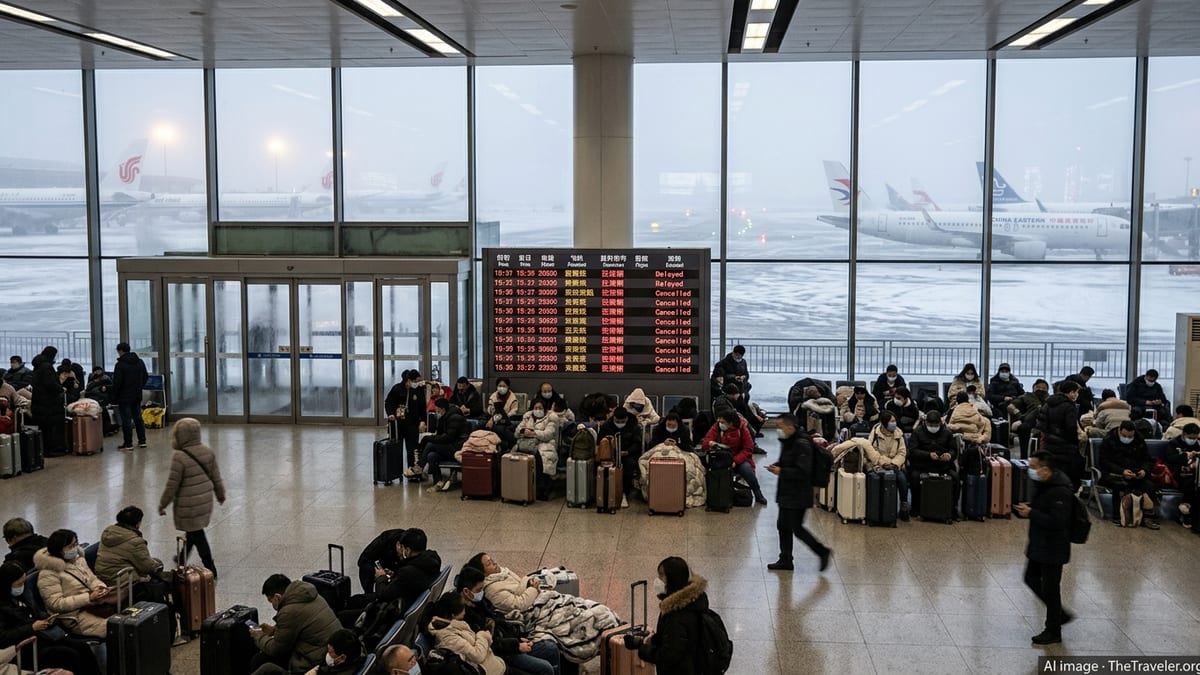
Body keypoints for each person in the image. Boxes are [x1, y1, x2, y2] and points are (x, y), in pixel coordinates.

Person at [464, 553, 619, 666]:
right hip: (537, 611)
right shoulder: (492, 589)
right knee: (585, 619)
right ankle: (609, 640)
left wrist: (531, 584)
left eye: (492, 560)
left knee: (584, 606)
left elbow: (521, 585)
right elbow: (519, 604)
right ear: (483, 573)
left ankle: (613, 635)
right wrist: (532, 588)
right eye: (490, 564)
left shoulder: (503, 573)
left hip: (544, 599)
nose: (495, 563)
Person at [1014, 451, 1075, 645]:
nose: (1030, 470)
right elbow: (1044, 508)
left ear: (1045, 469)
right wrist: (1028, 509)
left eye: (1033, 467)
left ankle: (1053, 629)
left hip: (1053, 547)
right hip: (1040, 542)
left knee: (1050, 588)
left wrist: (1031, 512)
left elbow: (1057, 521)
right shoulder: (1044, 483)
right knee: (1030, 578)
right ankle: (1059, 615)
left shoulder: (1061, 491)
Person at [455, 565, 559, 675]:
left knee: (551, 648)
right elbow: (488, 644)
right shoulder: (464, 617)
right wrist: (516, 645)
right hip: (500, 653)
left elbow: (498, 621)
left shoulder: (479, 602)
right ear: (466, 591)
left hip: (508, 641)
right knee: (546, 668)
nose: (481, 592)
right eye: (479, 590)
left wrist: (517, 638)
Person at [0, 561, 100, 675]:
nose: (21, 587)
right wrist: (32, 627)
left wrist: (48, 619)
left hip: (41, 637)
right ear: (7, 584)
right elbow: (3, 637)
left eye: (23, 582)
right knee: (69, 655)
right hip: (21, 648)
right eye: (18, 584)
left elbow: (37, 612)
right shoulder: (3, 604)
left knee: (82, 647)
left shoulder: (24, 594)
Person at [626, 557, 720, 675]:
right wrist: (646, 641)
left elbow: (668, 656)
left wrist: (642, 648)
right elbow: (673, 640)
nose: (658, 580)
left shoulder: (676, 616)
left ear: (672, 579)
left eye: (661, 576)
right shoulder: (692, 602)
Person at [158, 417, 226, 579]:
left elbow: (172, 485)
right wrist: (220, 493)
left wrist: (163, 504)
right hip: (204, 502)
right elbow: (216, 477)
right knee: (193, 531)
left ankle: (210, 566)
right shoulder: (207, 451)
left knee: (197, 534)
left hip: (188, 504)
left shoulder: (180, 456)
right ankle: (181, 557)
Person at [766, 415, 832, 572]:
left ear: (790, 427)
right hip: (788, 491)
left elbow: (803, 471)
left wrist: (782, 471)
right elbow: (790, 461)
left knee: (797, 528)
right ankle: (785, 559)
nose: (778, 430)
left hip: (799, 494)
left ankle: (822, 551)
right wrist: (779, 465)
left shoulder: (802, 443)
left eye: (780, 426)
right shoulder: (790, 440)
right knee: (783, 525)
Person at [249, 574, 342, 675]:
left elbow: (276, 649)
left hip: (315, 661)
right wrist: (275, 630)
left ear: (277, 597)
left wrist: (259, 636)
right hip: (329, 650)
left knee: (259, 660)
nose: (272, 605)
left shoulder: (288, 611)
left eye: (271, 601)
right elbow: (302, 621)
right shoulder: (307, 593)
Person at [33, 529, 114, 639]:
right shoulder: (48, 573)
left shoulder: (77, 560)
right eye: (71, 546)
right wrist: (88, 597)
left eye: (76, 543)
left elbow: (92, 579)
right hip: (74, 616)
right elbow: (56, 603)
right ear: (59, 550)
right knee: (116, 628)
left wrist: (100, 587)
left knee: (128, 619)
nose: (75, 548)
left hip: (95, 605)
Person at [94, 506, 171, 606]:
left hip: (102, 574)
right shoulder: (135, 541)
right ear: (138, 523)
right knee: (157, 568)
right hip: (121, 579)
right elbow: (148, 567)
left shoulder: (109, 531)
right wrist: (158, 567)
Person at [425, 591, 506, 675]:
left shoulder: (456, 625)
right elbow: (477, 656)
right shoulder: (448, 638)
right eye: (463, 608)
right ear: (453, 615)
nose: (465, 611)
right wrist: (482, 635)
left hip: (495, 664)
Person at [1097, 421, 1159, 529]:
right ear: (1119, 431)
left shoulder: (1139, 440)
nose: (1127, 438)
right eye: (1124, 436)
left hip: (1135, 472)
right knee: (1119, 485)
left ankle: (1147, 516)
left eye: (1130, 436)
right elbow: (1104, 461)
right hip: (1114, 473)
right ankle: (1119, 515)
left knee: (1149, 486)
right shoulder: (1109, 440)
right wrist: (1122, 471)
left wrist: (1144, 470)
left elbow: (1147, 459)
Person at [368, 529, 441, 615]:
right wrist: (395, 576)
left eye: (401, 547)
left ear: (407, 550)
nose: (398, 549)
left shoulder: (407, 572)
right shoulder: (433, 561)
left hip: (392, 608)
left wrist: (380, 577)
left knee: (356, 600)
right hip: (409, 599)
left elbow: (383, 596)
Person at [702, 410, 766, 505]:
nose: (720, 423)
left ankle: (758, 494)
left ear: (730, 423)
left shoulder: (742, 429)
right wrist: (710, 443)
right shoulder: (717, 427)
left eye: (723, 422)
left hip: (738, 459)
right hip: (721, 458)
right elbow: (705, 443)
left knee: (747, 470)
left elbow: (748, 449)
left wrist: (735, 461)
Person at [907, 411, 961, 519]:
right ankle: (916, 507)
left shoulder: (947, 433)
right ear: (926, 422)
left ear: (940, 423)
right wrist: (928, 455)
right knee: (914, 478)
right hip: (923, 465)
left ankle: (952, 507)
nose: (933, 428)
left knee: (955, 478)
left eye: (936, 425)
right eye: (931, 426)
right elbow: (912, 451)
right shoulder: (917, 433)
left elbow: (954, 450)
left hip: (942, 466)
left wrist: (949, 455)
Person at [864, 410, 910, 521]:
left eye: (895, 421)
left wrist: (894, 464)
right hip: (878, 464)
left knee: (902, 479)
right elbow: (871, 452)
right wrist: (884, 462)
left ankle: (904, 507)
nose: (894, 423)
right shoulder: (875, 434)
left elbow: (902, 453)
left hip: (895, 464)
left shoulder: (899, 434)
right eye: (892, 421)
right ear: (884, 423)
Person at [417, 398, 470, 492]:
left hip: (458, 448)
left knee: (430, 444)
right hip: (450, 446)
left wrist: (429, 438)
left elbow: (447, 438)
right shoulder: (445, 417)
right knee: (431, 456)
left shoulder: (454, 417)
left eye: (437, 409)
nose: (436, 411)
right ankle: (438, 482)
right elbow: (441, 435)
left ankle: (420, 467)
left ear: (443, 409)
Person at [1038, 381, 1084, 490]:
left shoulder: (1048, 403)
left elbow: (1041, 423)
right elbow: (1071, 428)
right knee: (1067, 475)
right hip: (1065, 447)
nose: (1076, 395)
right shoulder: (1069, 406)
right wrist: (1074, 444)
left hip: (1049, 444)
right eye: (1076, 392)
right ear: (1071, 392)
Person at [515, 398, 562, 501]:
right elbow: (517, 432)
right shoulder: (527, 416)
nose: (538, 410)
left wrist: (534, 433)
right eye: (535, 408)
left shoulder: (551, 417)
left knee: (541, 457)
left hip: (545, 444)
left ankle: (542, 489)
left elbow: (548, 435)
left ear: (545, 409)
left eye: (540, 408)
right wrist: (523, 430)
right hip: (527, 444)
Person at [598, 406, 645, 508]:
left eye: (622, 421)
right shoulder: (607, 426)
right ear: (613, 418)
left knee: (629, 466)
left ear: (627, 418)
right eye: (617, 421)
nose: (619, 423)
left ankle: (624, 493)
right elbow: (600, 442)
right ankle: (605, 492)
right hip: (610, 455)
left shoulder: (634, 427)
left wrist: (628, 452)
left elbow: (637, 444)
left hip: (628, 455)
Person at [386, 369, 427, 480]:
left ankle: (412, 472)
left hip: (413, 424)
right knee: (395, 449)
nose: (415, 383)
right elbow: (389, 402)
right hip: (397, 424)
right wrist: (390, 413)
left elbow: (423, 407)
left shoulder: (418, 391)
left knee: (412, 449)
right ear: (407, 380)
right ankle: (394, 473)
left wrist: (423, 421)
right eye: (413, 381)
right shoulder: (397, 389)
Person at [111, 342, 149, 451]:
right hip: (136, 395)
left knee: (126, 420)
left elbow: (117, 382)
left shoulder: (120, 365)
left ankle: (128, 443)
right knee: (138, 418)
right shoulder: (139, 362)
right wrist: (139, 387)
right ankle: (142, 441)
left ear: (120, 351)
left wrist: (114, 395)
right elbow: (145, 376)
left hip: (124, 396)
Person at [29, 346, 66, 457]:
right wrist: (60, 388)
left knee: (44, 428)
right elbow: (50, 384)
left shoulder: (37, 365)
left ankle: (44, 450)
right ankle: (51, 450)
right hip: (48, 402)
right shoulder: (47, 367)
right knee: (50, 428)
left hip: (38, 400)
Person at [1163, 423, 1199, 531]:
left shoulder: (1197, 445)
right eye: (1190, 437)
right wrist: (1185, 456)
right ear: (1184, 434)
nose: (1192, 440)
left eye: (1195, 438)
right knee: (1191, 482)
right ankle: (1187, 512)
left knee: (1196, 483)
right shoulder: (1173, 444)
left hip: (1194, 474)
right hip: (1177, 473)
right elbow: (1170, 459)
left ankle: (1189, 511)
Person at [355, 528, 405, 594]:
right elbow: (363, 561)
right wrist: (378, 572)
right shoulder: (385, 540)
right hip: (383, 561)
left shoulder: (409, 551)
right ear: (398, 545)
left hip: (395, 569)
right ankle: (369, 594)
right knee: (366, 569)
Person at [1011, 379, 1051, 454]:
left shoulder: (1050, 399)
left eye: (1044, 388)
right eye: (1038, 387)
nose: (1041, 389)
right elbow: (1010, 406)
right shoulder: (1026, 396)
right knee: (1023, 428)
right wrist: (1018, 414)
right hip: (1029, 421)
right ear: (1033, 388)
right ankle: (1024, 456)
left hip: (1045, 421)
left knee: (1039, 409)